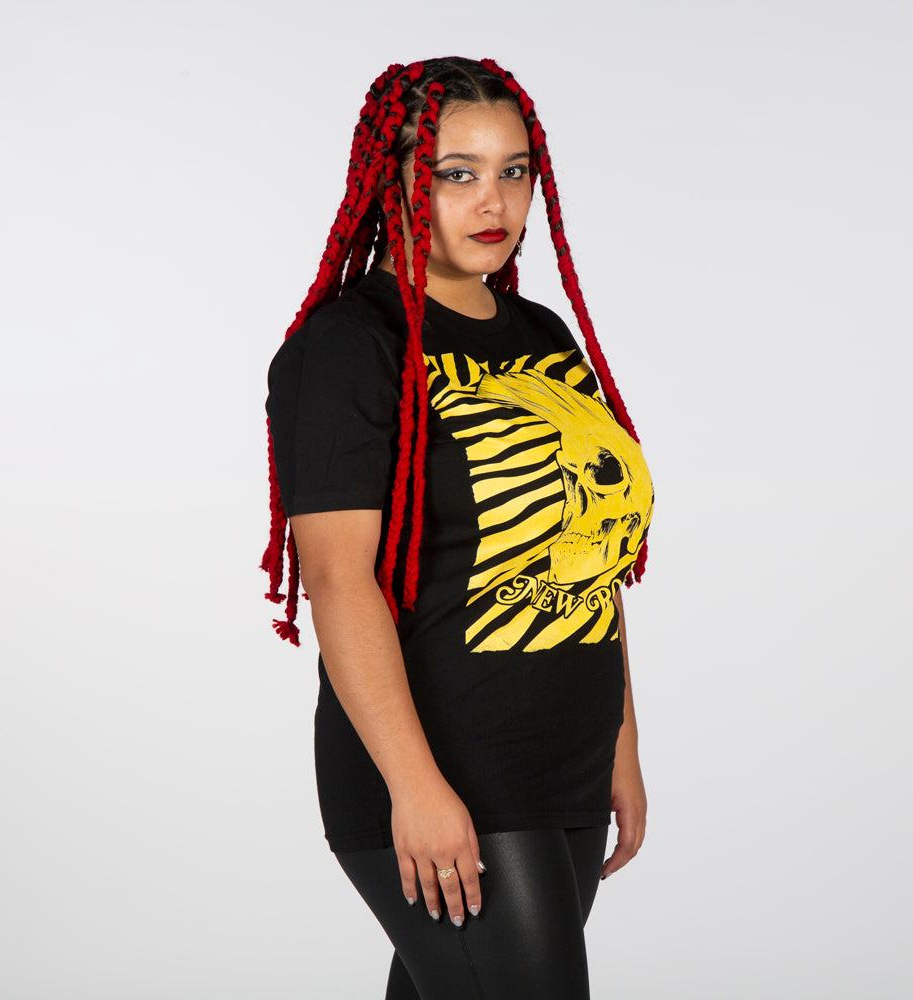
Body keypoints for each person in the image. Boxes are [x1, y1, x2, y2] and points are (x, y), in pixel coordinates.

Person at [262, 56, 654, 1000]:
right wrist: (415, 786)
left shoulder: (541, 336)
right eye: (457, 173)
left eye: (514, 171)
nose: (494, 201)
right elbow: (339, 581)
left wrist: (621, 741)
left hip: (563, 762)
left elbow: (591, 550)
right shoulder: (352, 346)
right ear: (394, 180)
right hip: (448, 769)